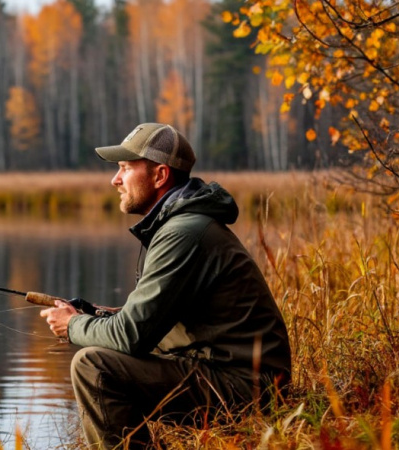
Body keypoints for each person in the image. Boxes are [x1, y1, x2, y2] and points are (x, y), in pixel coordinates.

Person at [40, 123, 292, 449]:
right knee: (103, 356)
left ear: (160, 176)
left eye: (125, 169)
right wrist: (98, 315)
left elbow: (130, 337)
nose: (114, 180)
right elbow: (148, 320)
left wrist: (73, 325)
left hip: (247, 388)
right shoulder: (178, 223)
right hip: (231, 374)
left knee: (93, 366)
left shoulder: (183, 232)